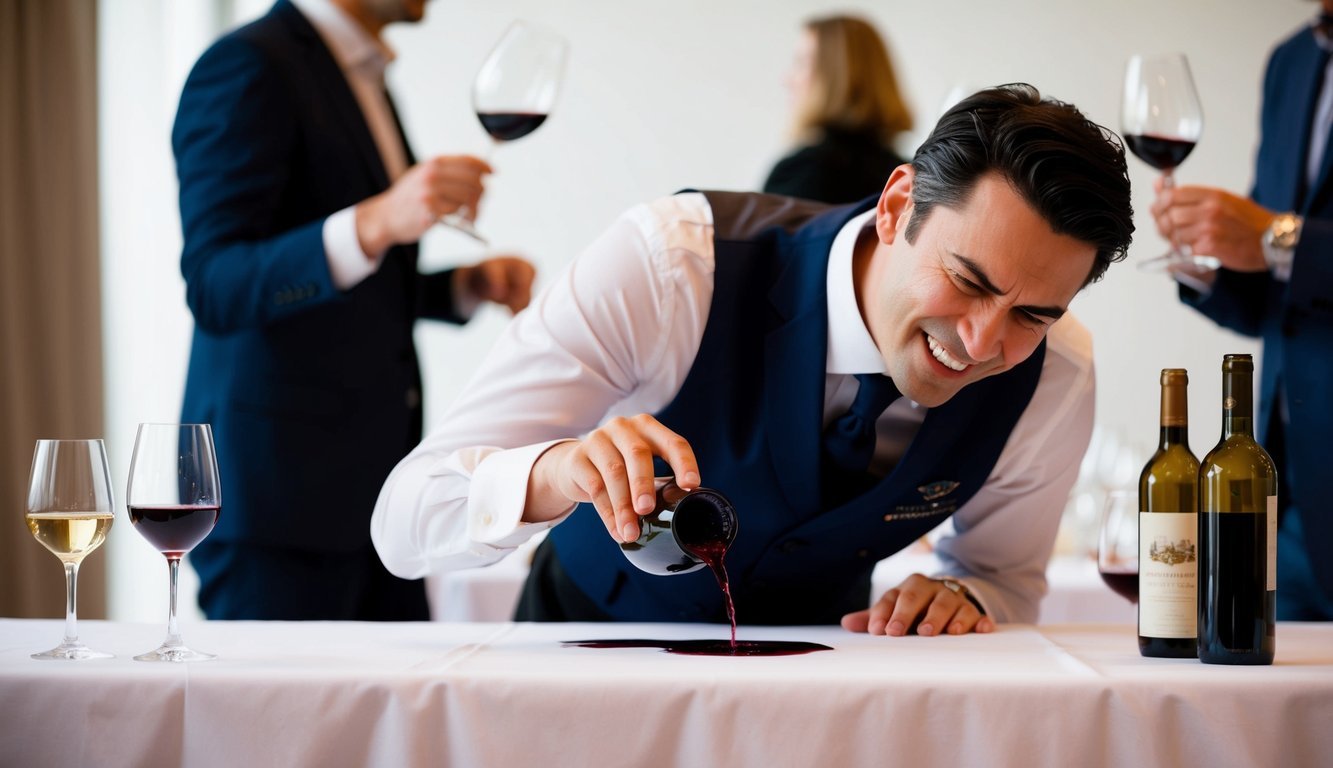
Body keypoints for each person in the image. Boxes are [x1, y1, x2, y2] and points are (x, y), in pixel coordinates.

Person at [372, 84, 1134, 636]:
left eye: (1032, 313)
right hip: (580, 657)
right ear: (897, 207)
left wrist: (967, 599)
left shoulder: (1054, 376)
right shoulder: (669, 267)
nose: (978, 344)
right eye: (967, 282)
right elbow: (404, 522)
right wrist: (552, 472)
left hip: (821, 701)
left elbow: (999, 578)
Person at [173, 0, 536, 620]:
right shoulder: (246, 65)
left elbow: (349, 289)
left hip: (381, 504)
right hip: (281, 513)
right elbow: (216, 284)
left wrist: (460, 289)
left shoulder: (359, 73)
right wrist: (375, 221)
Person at [1150, 4, 1333, 620]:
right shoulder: (1292, 61)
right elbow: (1281, 304)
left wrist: (1277, 236)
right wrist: (1199, 263)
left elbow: (1279, 241)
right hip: (1289, 494)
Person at [762, 14, 913, 204]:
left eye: (801, 63)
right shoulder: (909, 177)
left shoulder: (802, 172)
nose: (787, 80)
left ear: (835, 78)